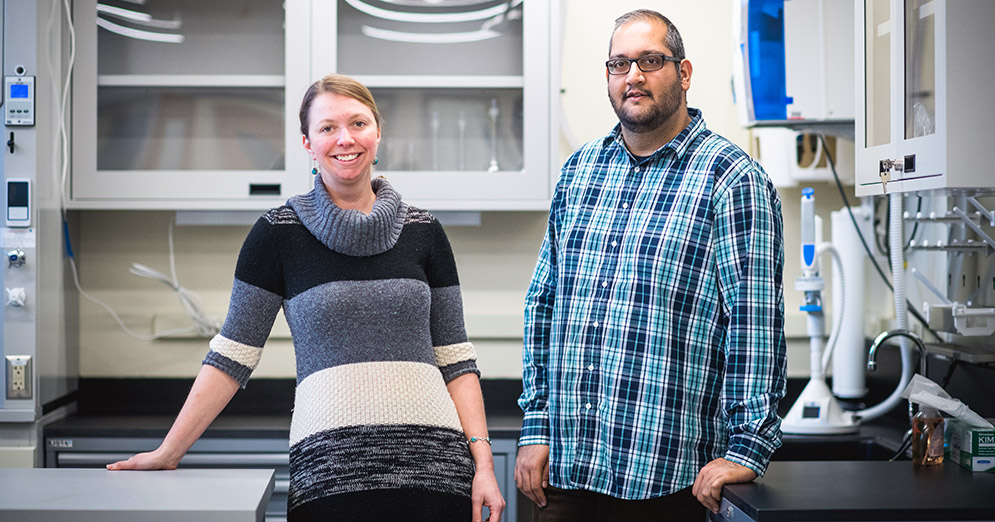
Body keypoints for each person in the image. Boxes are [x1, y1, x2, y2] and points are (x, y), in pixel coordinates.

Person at [108, 74, 506, 522]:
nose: (345, 139)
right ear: (307, 143)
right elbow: (232, 357)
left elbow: (455, 358)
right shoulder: (278, 233)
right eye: (327, 128)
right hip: (327, 474)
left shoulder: (424, 231)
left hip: (437, 473)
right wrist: (170, 450)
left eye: (358, 123)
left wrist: (485, 466)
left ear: (378, 132)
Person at [514, 9, 787, 520]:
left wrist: (747, 447)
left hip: (667, 480)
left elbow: (753, 325)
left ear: (683, 74)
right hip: (567, 473)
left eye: (650, 61)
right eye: (619, 64)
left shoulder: (731, 180)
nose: (633, 76)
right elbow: (543, 303)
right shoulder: (580, 171)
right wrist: (537, 424)